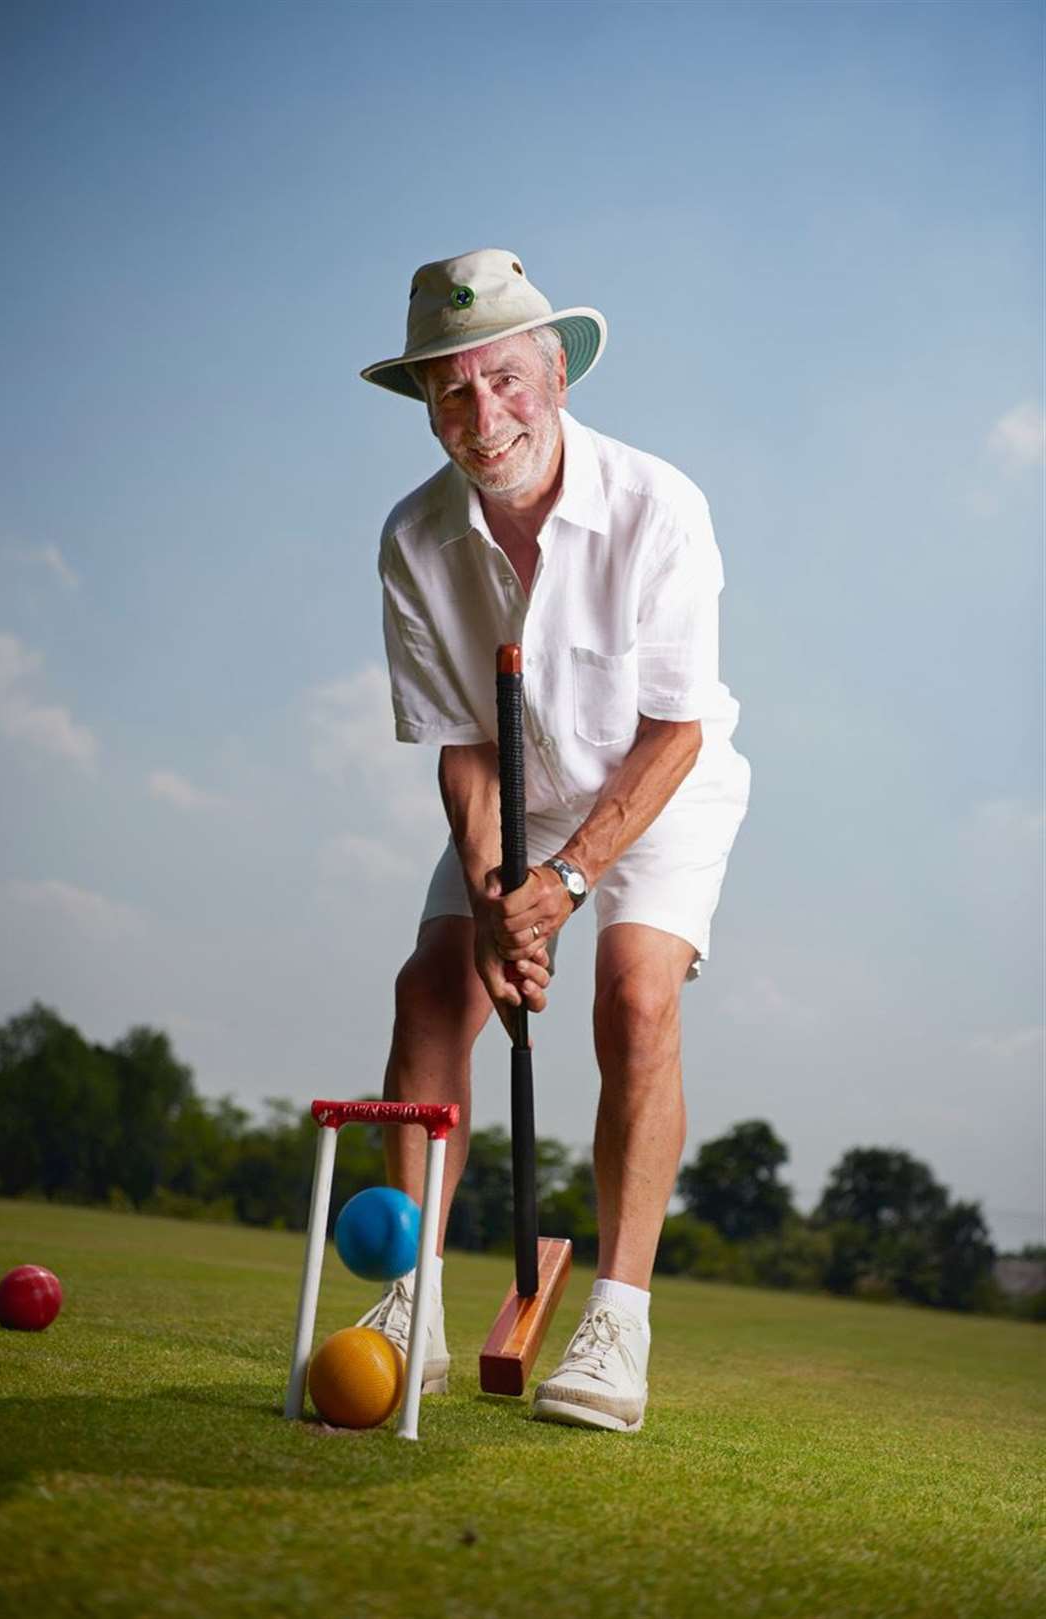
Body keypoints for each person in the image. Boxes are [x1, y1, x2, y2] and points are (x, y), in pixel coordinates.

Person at [354, 248, 750, 1431]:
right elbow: (464, 746)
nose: (487, 416)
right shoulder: (414, 539)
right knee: (430, 989)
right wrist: (493, 897)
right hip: (517, 796)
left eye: (508, 381)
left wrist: (569, 884)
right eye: (454, 391)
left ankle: (618, 1323)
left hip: (660, 785)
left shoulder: (657, 504)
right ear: (427, 404)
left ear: (558, 374)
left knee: (632, 1002)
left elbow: (677, 730)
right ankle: (410, 1298)